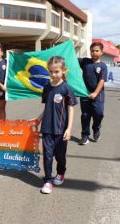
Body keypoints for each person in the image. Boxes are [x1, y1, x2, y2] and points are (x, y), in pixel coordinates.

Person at [36, 56, 77, 194]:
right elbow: (47, 107)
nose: (53, 75)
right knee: (47, 155)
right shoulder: (47, 88)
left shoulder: (66, 89)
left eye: (57, 72)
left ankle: (60, 173)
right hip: (47, 128)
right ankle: (48, 180)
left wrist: (69, 128)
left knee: (60, 156)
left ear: (63, 71)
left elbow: (71, 109)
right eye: (51, 72)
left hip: (61, 130)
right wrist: (38, 119)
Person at [78, 42, 108, 145]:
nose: (94, 52)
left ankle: (96, 128)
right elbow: (71, 60)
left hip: (98, 94)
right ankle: (85, 135)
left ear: (101, 52)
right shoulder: (85, 61)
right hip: (84, 93)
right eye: (92, 50)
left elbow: (102, 81)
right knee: (85, 115)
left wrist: (95, 93)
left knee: (98, 113)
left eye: (96, 51)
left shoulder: (103, 66)